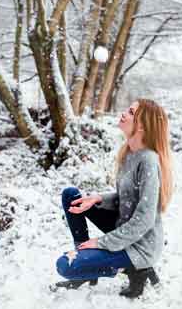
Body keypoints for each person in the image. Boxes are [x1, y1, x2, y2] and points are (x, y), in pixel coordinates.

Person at [53, 98, 173, 298]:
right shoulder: (130, 153)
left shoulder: (149, 161)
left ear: (142, 126)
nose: (124, 113)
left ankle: (138, 269)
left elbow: (144, 220)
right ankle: (86, 273)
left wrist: (101, 242)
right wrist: (97, 199)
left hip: (141, 245)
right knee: (71, 196)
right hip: (124, 227)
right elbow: (126, 198)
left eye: (131, 112)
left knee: (65, 265)